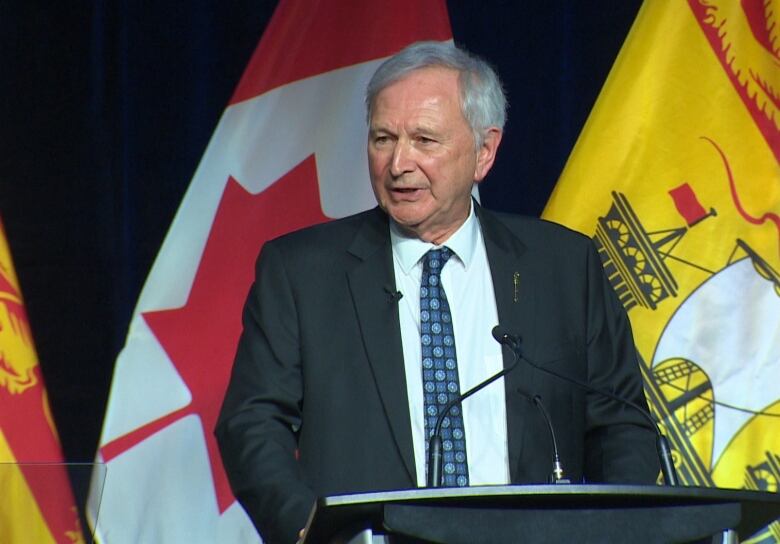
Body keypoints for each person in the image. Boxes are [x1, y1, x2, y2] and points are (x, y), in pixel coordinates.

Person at [216, 41, 660, 544]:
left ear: (484, 152)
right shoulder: (302, 272)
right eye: (383, 138)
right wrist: (310, 530)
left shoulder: (563, 267)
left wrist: (619, 531)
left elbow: (622, 424)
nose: (398, 163)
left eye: (425, 140)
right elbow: (250, 424)